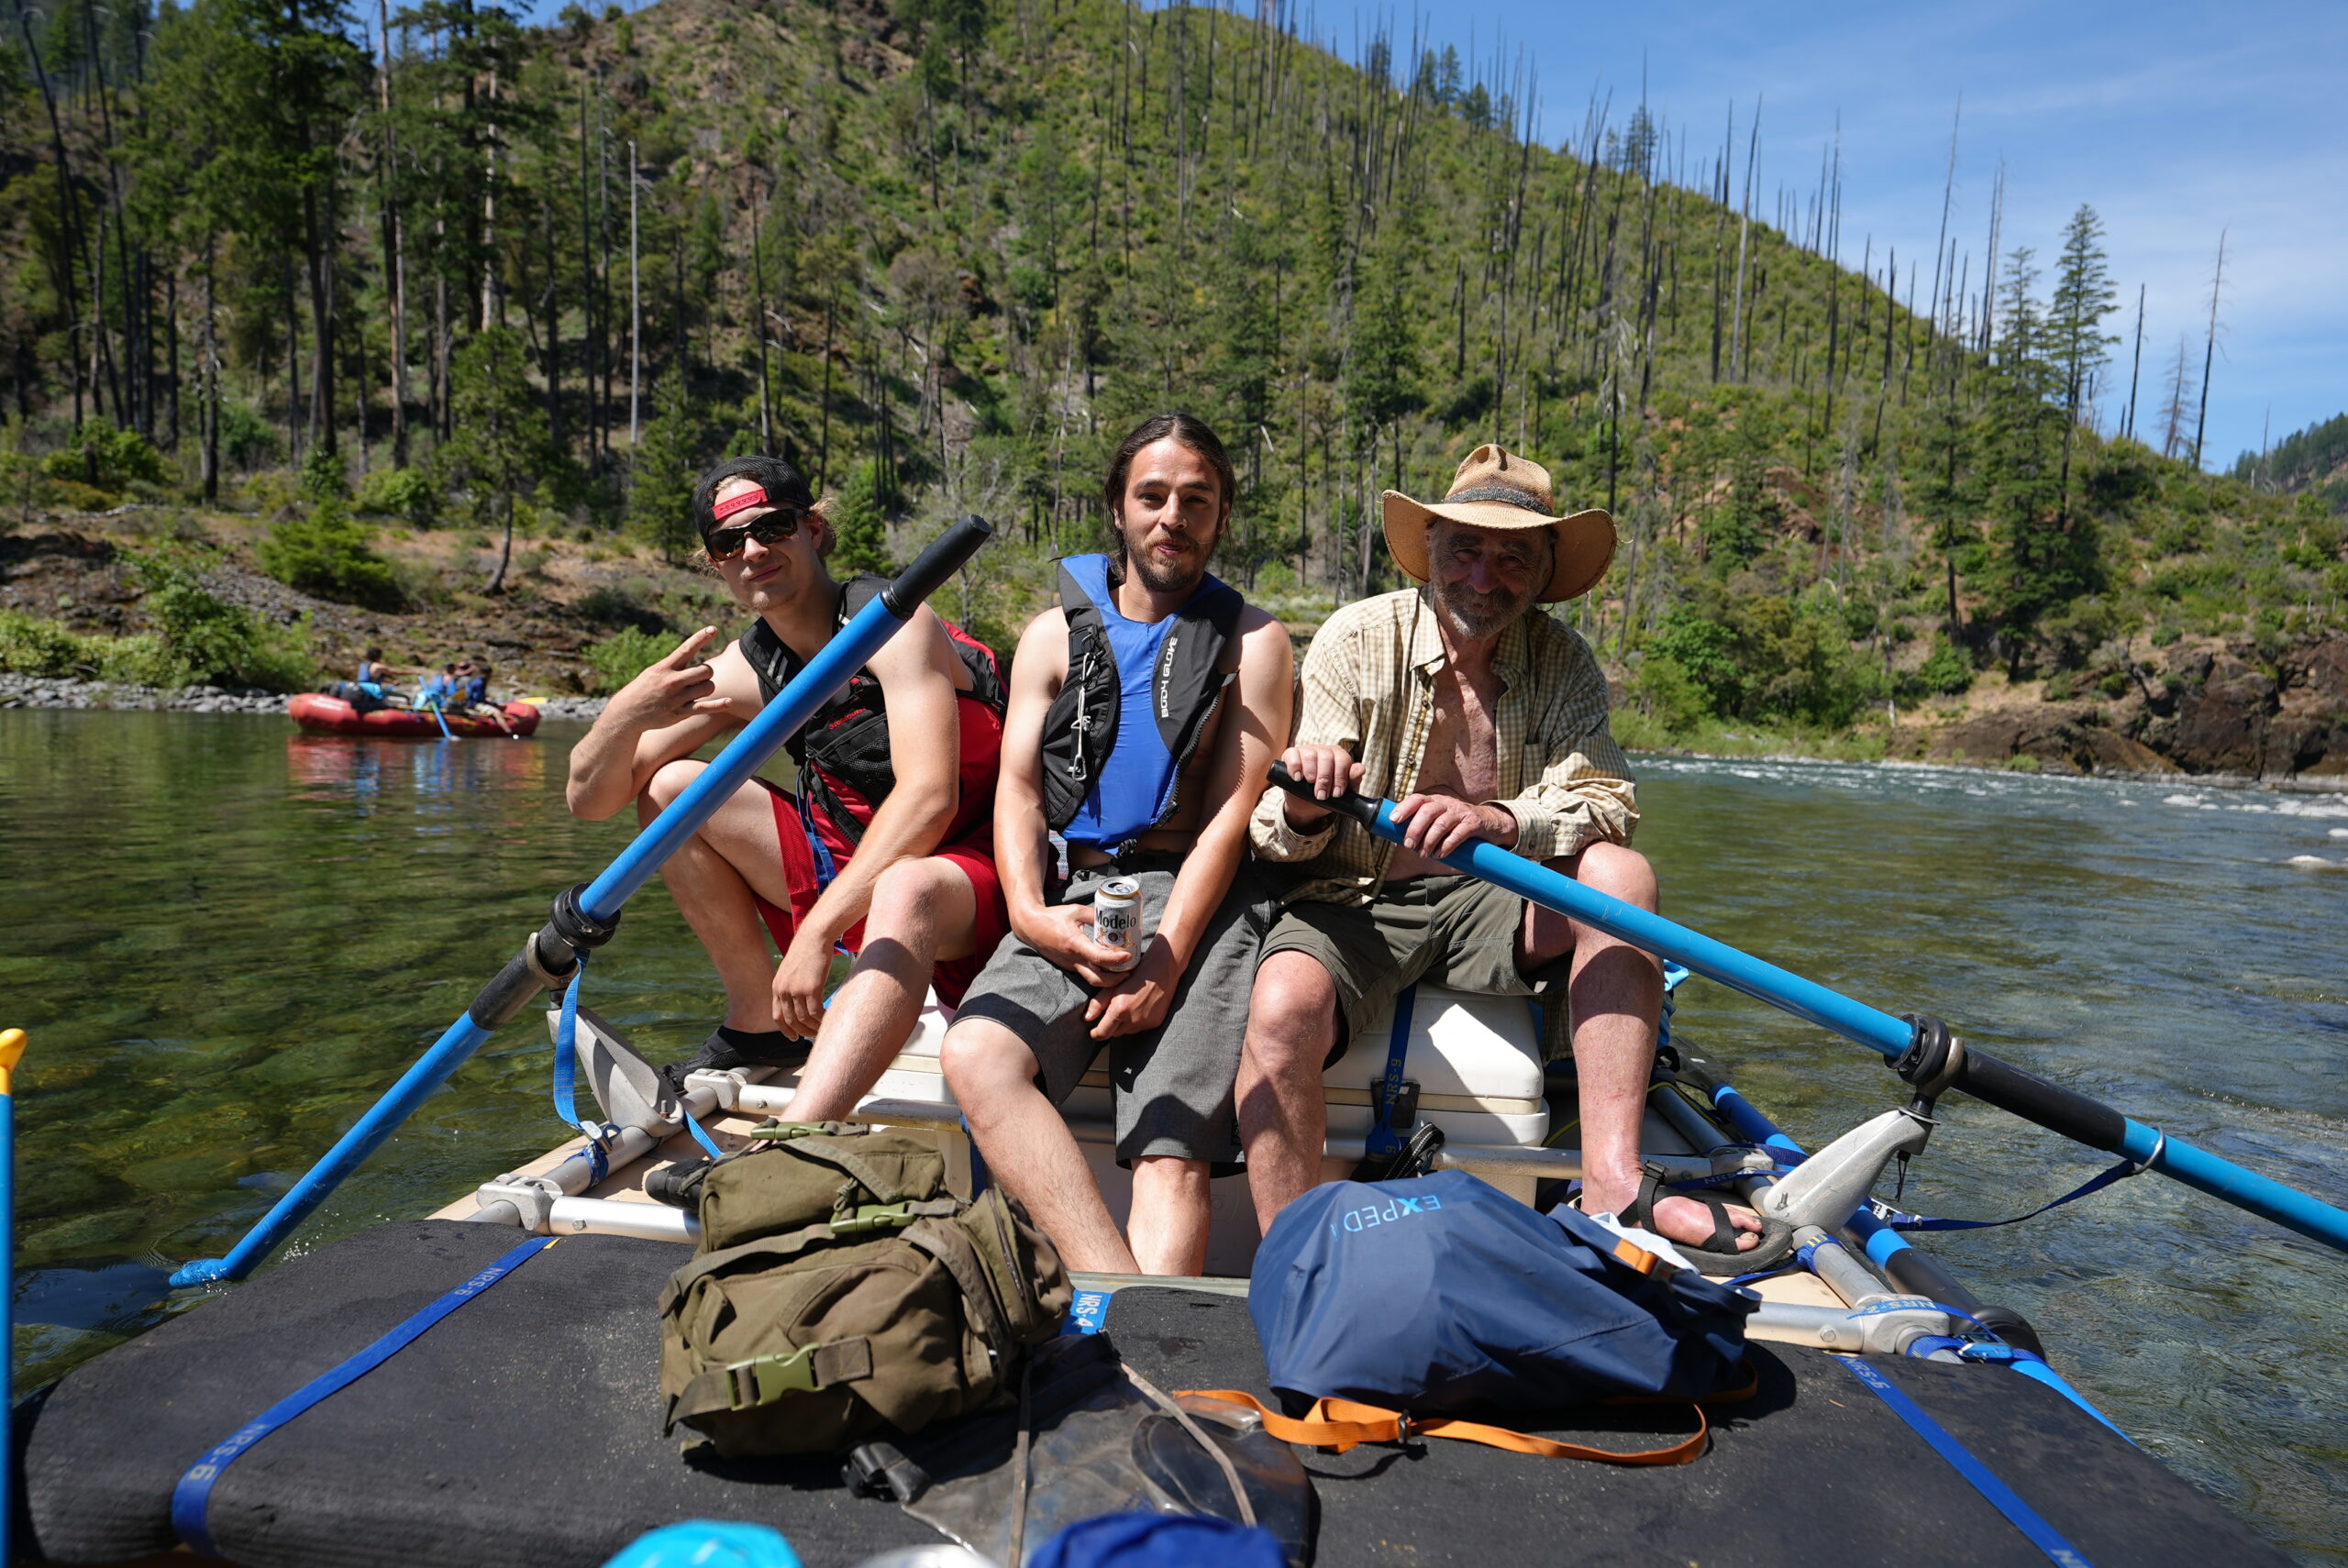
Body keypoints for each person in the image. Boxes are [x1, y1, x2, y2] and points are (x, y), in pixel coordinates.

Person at [1236, 444, 1774, 1268]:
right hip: (1352, 899)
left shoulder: (1564, 664)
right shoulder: (1357, 637)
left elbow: (1608, 804)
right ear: (1433, 552)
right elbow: (1281, 827)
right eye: (1466, 550)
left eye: (1512, 556)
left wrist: (1499, 821)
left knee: (1623, 877)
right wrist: (1309, 801)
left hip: (1496, 903)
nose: (1485, 577)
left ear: (1543, 568)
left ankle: (1613, 1181)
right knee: (1280, 1010)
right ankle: (1294, 1258)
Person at [937, 415, 1292, 1275]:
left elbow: (1230, 816)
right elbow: (1020, 790)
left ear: (1221, 518)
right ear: (1118, 509)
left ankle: (1141, 1331)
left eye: (1197, 501)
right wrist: (1028, 913)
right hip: (1078, 896)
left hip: (1199, 897)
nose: (1174, 517)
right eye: (1153, 496)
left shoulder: (1256, 642)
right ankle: (1120, 1302)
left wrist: (1167, 962)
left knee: (1172, 1144)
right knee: (975, 1054)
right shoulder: (1053, 636)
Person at [565, 454, 1012, 1116]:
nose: (752, 550)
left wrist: (812, 937)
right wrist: (623, 712)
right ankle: (759, 1025)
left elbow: (928, 798)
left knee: (903, 883)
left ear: (813, 529)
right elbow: (590, 800)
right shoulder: (750, 669)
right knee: (669, 790)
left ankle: (807, 1109)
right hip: (855, 878)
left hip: (969, 886)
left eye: (772, 527)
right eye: (728, 542)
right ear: (713, 562)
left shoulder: (894, 623)